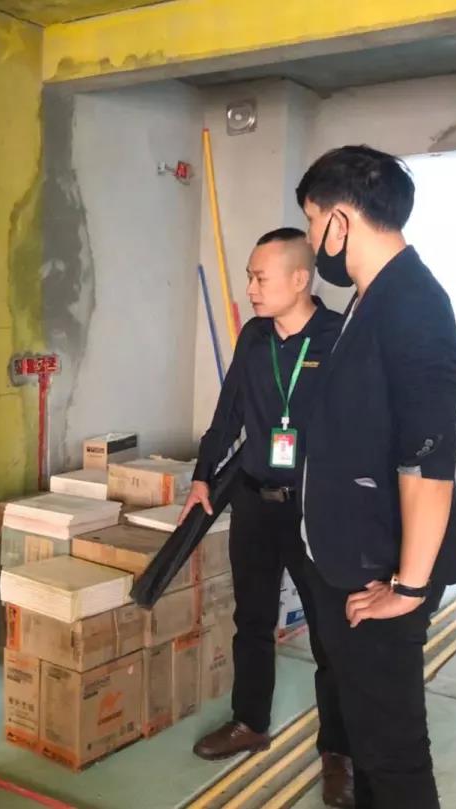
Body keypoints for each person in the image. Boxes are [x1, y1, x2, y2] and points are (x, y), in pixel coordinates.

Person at [295, 145, 456, 809]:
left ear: (340, 221)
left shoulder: (414, 306)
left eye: (313, 222)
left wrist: (407, 587)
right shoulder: (370, 299)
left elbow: (428, 462)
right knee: (368, 744)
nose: (314, 239)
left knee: (393, 757)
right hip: (350, 560)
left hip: (383, 573)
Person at [182, 228, 355, 808]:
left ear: (300, 279)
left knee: (330, 636)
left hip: (313, 510)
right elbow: (228, 413)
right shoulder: (254, 337)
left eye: (260, 277)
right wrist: (203, 475)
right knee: (251, 620)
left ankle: (339, 753)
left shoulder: (337, 338)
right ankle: (249, 723)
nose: (251, 288)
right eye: (250, 277)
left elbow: (359, 429)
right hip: (254, 502)